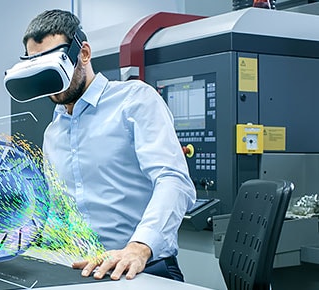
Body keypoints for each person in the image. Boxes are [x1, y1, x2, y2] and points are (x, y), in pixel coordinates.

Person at [18, 9, 196, 281]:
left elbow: (173, 180)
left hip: (141, 269)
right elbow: (58, 208)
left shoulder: (135, 101)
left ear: (84, 53)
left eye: (56, 65)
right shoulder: (53, 131)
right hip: (81, 270)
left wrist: (139, 247)